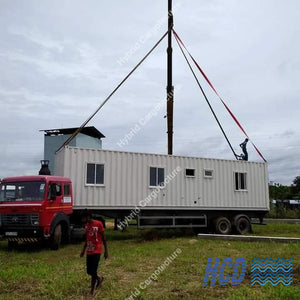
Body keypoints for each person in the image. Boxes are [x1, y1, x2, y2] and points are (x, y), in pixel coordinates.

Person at [80, 210, 109, 296]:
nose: (82, 220)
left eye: (83, 218)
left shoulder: (99, 224)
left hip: (97, 250)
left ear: (88, 217)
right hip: (89, 251)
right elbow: (87, 239)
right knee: (89, 271)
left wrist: (106, 251)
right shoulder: (86, 226)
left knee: (94, 270)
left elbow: (103, 238)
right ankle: (99, 279)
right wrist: (83, 250)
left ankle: (92, 291)